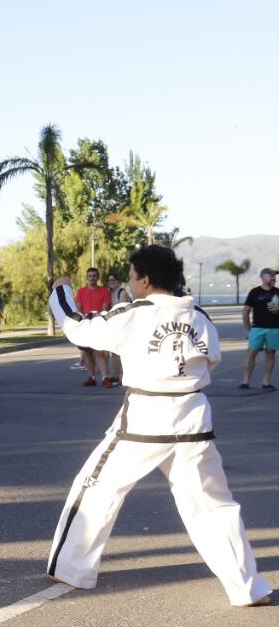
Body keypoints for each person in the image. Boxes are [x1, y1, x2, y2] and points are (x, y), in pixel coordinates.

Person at [45, 245, 271, 608]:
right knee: (213, 505)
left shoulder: (135, 314)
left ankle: (70, 568)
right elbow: (211, 359)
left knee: (96, 487)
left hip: (145, 418)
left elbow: (79, 328)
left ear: (145, 280)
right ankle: (247, 587)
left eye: (133, 277)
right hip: (194, 416)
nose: (131, 283)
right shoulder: (198, 315)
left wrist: (61, 291)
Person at [240, 266, 279, 391]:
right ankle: (245, 381)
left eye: (274, 275)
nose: (273, 278)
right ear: (262, 277)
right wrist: (247, 329)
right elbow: (246, 311)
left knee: (271, 354)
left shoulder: (278, 292)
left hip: (274, 328)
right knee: (252, 353)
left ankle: (266, 382)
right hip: (257, 328)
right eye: (270, 275)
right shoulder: (255, 292)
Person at [74, 267, 113, 387]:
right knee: (87, 353)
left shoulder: (104, 291)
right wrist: (80, 323)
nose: (92, 278)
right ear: (87, 277)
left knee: (100, 352)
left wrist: (100, 321)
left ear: (98, 277)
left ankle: (105, 378)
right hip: (85, 325)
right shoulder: (81, 291)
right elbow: (79, 308)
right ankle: (92, 377)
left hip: (98, 324)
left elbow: (105, 308)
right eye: (90, 276)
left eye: (94, 276)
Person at [106, 273, 132, 381]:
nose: (112, 282)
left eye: (114, 280)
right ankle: (116, 375)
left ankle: (124, 376)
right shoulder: (109, 293)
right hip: (113, 325)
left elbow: (123, 310)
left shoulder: (122, 292)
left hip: (123, 325)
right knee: (115, 352)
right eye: (109, 280)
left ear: (118, 281)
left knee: (123, 352)